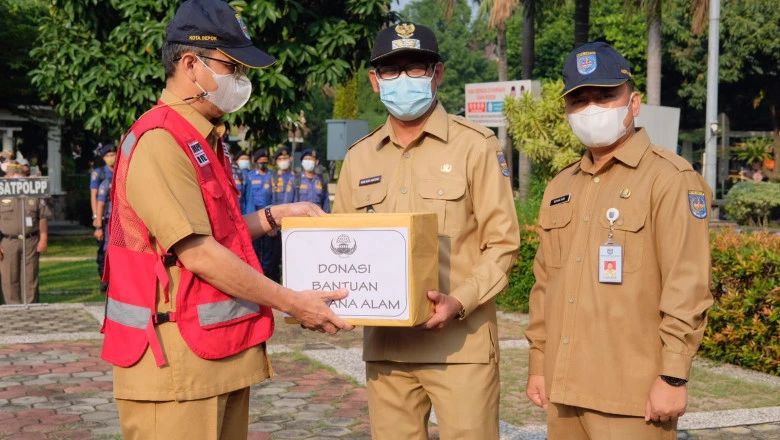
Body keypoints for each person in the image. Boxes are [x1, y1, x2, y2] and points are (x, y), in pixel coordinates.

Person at [100, 1, 353, 438]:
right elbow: (198, 254)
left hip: (214, 355)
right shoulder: (162, 140)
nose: (241, 80)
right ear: (190, 64)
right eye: (231, 66)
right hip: (174, 365)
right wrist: (295, 302)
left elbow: (213, 232)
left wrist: (274, 216)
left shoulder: (202, 138)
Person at [332, 22, 520, 440]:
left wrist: (460, 300)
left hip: (460, 348)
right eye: (390, 69)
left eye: (414, 67)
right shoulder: (359, 158)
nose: (402, 79)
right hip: (387, 352)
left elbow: (503, 244)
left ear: (437, 74)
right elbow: (342, 249)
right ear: (375, 81)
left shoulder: (476, 146)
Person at [524, 42, 713, 439]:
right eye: (580, 100)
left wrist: (673, 377)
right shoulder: (561, 185)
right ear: (567, 110)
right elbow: (545, 285)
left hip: (634, 397)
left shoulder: (670, 179)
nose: (592, 109)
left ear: (633, 103)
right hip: (564, 390)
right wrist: (538, 363)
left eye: (606, 96)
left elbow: (687, 285)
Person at [0, 162, 51, 304]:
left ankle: (31, 306)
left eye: (17, 174)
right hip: (8, 241)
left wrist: (44, 238)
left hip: (31, 240)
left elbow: (43, 217)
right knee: (9, 277)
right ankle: (12, 307)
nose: (12, 177)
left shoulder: (33, 193)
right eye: (9, 175)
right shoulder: (1, 193)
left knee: (30, 276)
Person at [90, 142, 116, 291]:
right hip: (104, 217)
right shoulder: (99, 174)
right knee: (103, 249)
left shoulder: (123, 170)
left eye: (114, 154)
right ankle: (104, 279)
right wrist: (96, 219)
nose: (112, 157)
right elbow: (95, 197)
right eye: (108, 155)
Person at [295, 148, 329, 213]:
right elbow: (287, 203)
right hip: (299, 218)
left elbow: (326, 203)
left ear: (316, 162)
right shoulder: (295, 180)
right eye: (305, 159)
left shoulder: (322, 181)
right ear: (302, 162)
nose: (308, 161)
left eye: (310, 159)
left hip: (317, 218)